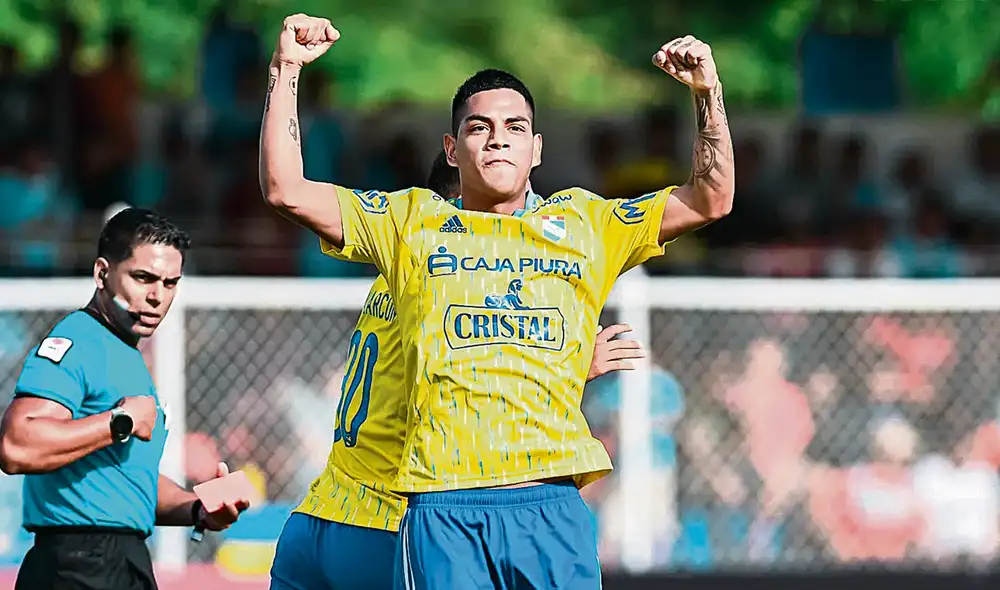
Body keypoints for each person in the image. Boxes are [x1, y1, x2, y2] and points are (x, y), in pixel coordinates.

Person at [259, 14, 733, 589]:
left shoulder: (587, 221)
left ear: (536, 149)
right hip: (442, 509)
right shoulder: (412, 220)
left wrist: (708, 95)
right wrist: (286, 70)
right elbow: (285, 190)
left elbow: (711, 198)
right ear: (452, 150)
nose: (498, 137)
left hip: (549, 507)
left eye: (514, 126)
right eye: (479, 127)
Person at [268, 150, 646, 590]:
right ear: (457, 205)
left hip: (319, 515)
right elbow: (469, 384)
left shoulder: (400, 275)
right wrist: (571, 368)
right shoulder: (443, 289)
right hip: (384, 528)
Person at [0, 208, 251, 590]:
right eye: (143, 278)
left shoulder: (126, 354)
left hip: (122, 561)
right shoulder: (78, 341)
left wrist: (199, 509)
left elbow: (130, 484)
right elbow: (17, 445)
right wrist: (119, 421)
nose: (157, 297)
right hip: (74, 566)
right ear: (102, 273)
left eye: (170, 283)